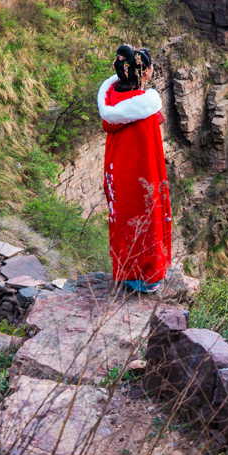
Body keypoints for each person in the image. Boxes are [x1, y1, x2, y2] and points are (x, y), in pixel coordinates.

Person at [98, 43, 170, 294]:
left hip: (117, 168)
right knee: (144, 216)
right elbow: (151, 153)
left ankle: (124, 272)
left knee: (124, 216)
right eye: (151, 67)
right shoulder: (144, 108)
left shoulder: (113, 99)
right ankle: (144, 276)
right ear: (145, 73)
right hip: (140, 173)